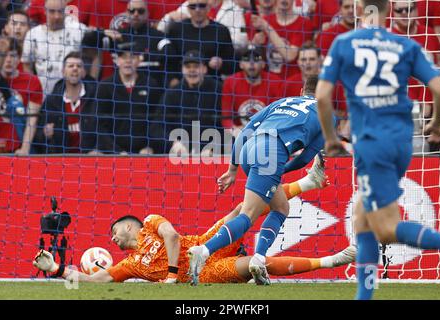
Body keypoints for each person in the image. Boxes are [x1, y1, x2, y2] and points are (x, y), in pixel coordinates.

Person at [316, 0, 440, 300]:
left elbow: (323, 98)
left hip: (372, 144)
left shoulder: (344, 42)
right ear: (389, 9)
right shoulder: (405, 45)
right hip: (403, 141)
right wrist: (437, 125)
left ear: (360, 8)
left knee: (386, 228)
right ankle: (364, 297)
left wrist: (331, 139)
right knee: (363, 217)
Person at [32, 179, 357, 283]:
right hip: (205, 273)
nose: (113, 239)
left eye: (114, 232)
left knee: (245, 209)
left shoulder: (148, 223)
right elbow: (93, 281)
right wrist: (56, 269)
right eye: (111, 239)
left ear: (127, 224)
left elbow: (172, 236)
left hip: (203, 244)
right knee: (258, 264)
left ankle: (307, 183)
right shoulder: (131, 264)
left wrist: (172, 275)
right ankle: (334, 260)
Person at [187, 75, 332, 286]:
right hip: (272, 152)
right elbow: (305, 158)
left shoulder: (283, 102)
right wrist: (280, 169)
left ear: (302, 91)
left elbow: (246, 132)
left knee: (281, 207)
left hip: (249, 149)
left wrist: (232, 169)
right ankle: (204, 250)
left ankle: (259, 259)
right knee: (248, 215)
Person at [95, 41, 163, 154]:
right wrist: (116, 151)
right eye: (123, 57)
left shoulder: (151, 84)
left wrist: (150, 146)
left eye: (132, 56)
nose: (128, 61)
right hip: (113, 152)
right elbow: (100, 124)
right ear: (116, 60)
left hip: (144, 151)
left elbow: (156, 120)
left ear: (139, 60)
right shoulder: (105, 86)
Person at [155, 50, 223, 155]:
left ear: (204, 69)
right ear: (182, 70)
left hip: (213, 152)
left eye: (196, 66)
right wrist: (173, 142)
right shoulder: (172, 93)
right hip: (180, 153)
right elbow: (157, 126)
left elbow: (227, 124)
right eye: (188, 67)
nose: (192, 70)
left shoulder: (218, 89)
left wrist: (214, 146)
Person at [33, 52, 97, 154]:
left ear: (84, 72)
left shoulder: (95, 99)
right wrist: (45, 134)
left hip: (89, 160)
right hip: (60, 161)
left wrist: (97, 149)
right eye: (71, 66)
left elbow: (105, 129)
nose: (75, 69)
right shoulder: (51, 101)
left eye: (78, 66)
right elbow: (38, 135)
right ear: (63, 72)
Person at [21, 0, 89, 94]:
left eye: (60, 11)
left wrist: (91, 83)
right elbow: (27, 65)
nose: (57, 16)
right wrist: (33, 90)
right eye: (52, 11)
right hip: (44, 93)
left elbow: (95, 55)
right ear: (45, 11)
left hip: (75, 93)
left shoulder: (80, 30)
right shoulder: (33, 34)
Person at [166, 0, 236, 82]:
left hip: (212, 84)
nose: (197, 10)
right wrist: (172, 79)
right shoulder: (176, 29)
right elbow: (169, 59)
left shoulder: (221, 31)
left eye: (202, 6)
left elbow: (233, 63)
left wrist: (221, 64)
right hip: (182, 85)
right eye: (193, 6)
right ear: (188, 9)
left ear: (209, 7)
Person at [221, 46, 283, 138]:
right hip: (239, 135)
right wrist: (236, 131)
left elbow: (278, 117)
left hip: (267, 134)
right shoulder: (230, 82)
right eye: (246, 59)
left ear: (263, 64)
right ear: (241, 64)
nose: (251, 63)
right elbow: (226, 118)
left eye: (256, 59)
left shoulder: (276, 82)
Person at [0, 37, 43, 155]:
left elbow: (32, 119)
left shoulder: (32, 82)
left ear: (19, 59)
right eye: (4, 55)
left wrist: (25, 149)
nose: (8, 60)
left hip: (19, 143)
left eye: (13, 56)